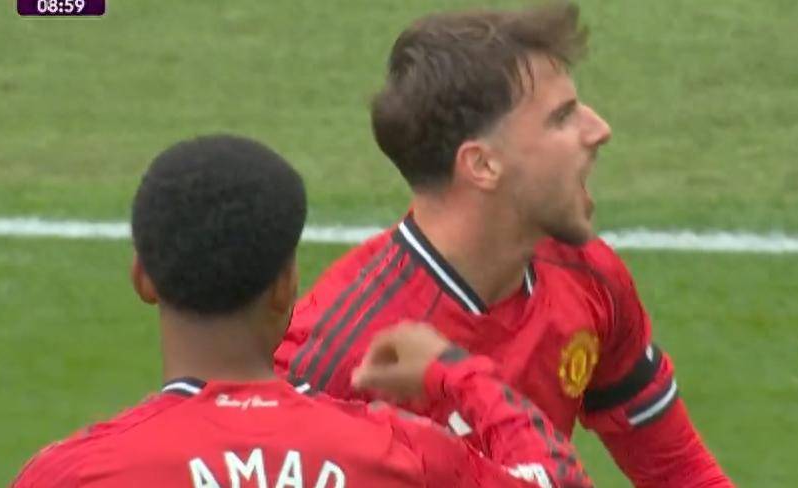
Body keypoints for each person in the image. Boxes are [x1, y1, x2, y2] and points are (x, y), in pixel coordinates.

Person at [275, 2, 733, 487]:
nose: (599, 130)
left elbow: (681, 474)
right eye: (562, 117)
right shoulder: (328, 362)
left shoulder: (589, 277)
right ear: (482, 165)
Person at [13, 134, 591, 487]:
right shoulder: (398, 455)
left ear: (143, 278)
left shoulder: (76, 474)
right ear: (285, 286)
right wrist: (457, 373)